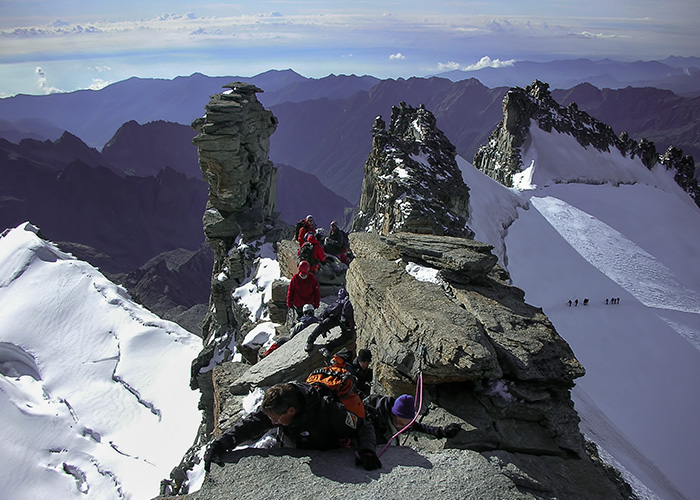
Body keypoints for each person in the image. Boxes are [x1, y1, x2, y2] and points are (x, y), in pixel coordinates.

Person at [203, 382, 381, 472]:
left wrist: (368, 450)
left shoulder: (329, 411)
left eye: (275, 420)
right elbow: (248, 426)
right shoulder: (276, 408)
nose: (272, 423)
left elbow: (363, 426)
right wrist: (221, 444)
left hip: (328, 457)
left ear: (291, 411)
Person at [364, 394, 461, 446]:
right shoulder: (374, 422)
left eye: (406, 425)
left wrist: (441, 432)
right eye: (399, 423)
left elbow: (419, 428)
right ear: (391, 414)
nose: (400, 428)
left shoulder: (401, 422)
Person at [305, 288, 355, 354]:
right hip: (345, 322)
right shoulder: (349, 304)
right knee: (346, 336)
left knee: (322, 325)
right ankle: (328, 348)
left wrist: (324, 327)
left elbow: (327, 312)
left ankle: (310, 341)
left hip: (338, 319)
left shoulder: (338, 304)